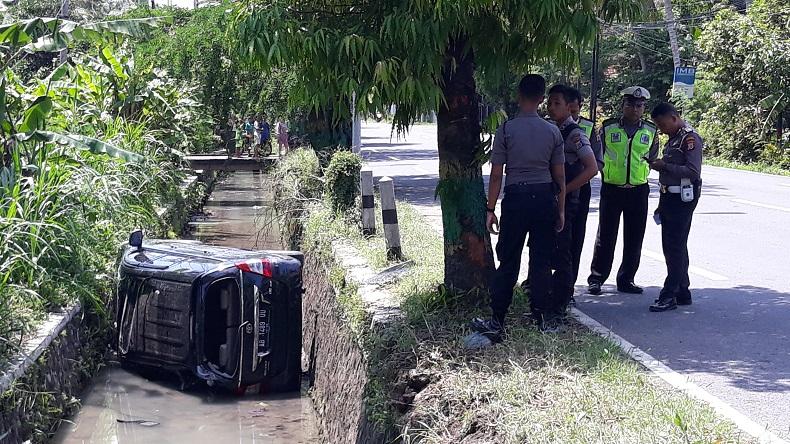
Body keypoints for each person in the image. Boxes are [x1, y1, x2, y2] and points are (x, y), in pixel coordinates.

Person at [468, 74, 566, 344]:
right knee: (541, 260)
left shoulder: (506, 130)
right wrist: (561, 210)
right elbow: (560, 178)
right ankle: (542, 317)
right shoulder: (553, 131)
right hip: (545, 198)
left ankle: (497, 319)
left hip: (516, 198)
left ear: (518, 95)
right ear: (542, 99)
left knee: (509, 260)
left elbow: (497, 175)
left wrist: (490, 209)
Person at [587, 86, 658, 296]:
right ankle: (597, 278)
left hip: (638, 190)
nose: (635, 109)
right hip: (612, 188)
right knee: (605, 236)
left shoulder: (651, 131)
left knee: (635, 237)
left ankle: (627, 279)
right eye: (630, 105)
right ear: (623, 106)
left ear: (643, 107)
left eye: (639, 106)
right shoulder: (607, 128)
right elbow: (598, 156)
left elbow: (652, 158)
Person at [545, 85, 599, 318]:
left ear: (570, 107)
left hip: (568, 201)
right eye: (549, 103)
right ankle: (548, 294)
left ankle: (562, 300)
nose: (551, 107)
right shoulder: (550, 129)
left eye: (557, 103)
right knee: (548, 248)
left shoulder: (574, 134)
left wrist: (564, 192)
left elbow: (592, 168)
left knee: (565, 249)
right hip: (550, 199)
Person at [648, 102, 703, 312]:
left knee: (674, 247)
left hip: (683, 198)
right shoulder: (675, 138)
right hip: (670, 197)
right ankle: (682, 290)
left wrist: (665, 166)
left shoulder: (689, 138)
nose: (661, 129)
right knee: (676, 245)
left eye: (662, 125)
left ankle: (669, 294)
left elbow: (692, 171)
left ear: (673, 117)